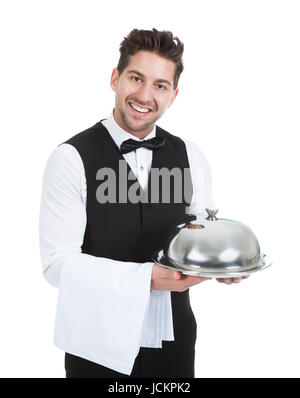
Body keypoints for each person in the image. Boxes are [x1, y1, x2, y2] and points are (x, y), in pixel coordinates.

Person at [39, 28, 248, 379]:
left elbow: (199, 232)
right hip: (96, 343)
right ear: (115, 78)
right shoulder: (70, 158)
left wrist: (221, 265)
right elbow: (56, 265)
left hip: (174, 339)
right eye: (136, 78)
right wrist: (145, 279)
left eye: (160, 85)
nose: (145, 95)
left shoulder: (190, 155)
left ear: (173, 94)